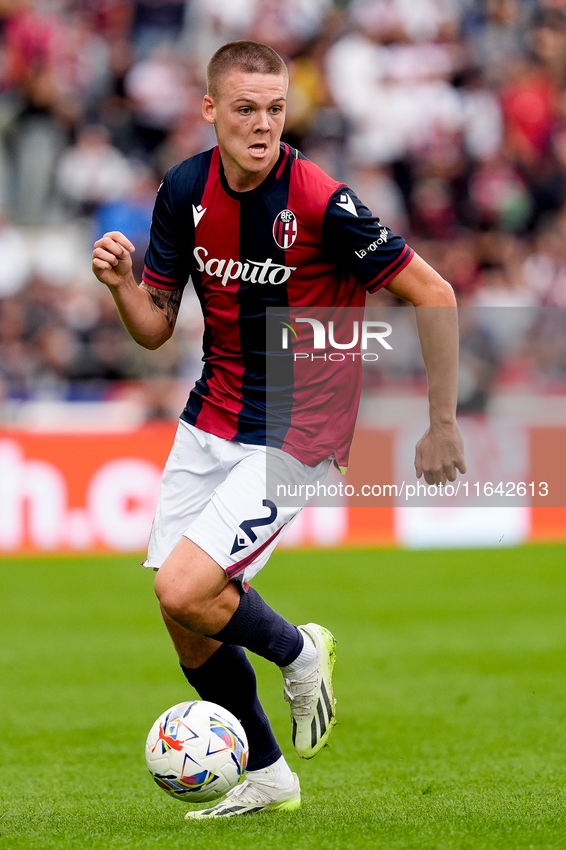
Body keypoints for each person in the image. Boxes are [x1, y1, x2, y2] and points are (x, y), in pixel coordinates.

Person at [92, 40, 466, 819]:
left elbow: (432, 294)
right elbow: (155, 328)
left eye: (274, 109)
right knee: (182, 615)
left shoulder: (322, 202)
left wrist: (441, 423)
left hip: (299, 433)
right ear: (209, 111)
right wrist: (124, 285)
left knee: (184, 585)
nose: (263, 126)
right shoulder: (183, 188)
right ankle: (268, 773)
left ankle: (300, 650)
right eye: (244, 109)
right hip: (210, 418)